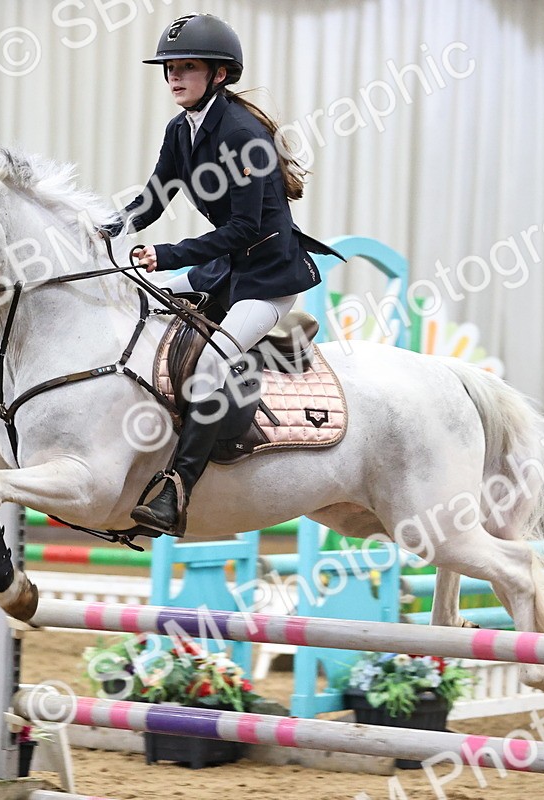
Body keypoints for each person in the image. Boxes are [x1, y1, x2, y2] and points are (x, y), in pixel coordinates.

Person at [118, 13, 338, 536]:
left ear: (218, 74)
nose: (174, 77)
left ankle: (176, 489)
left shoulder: (242, 134)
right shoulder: (182, 128)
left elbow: (243, 228)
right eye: (169, 67)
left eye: (187, 67)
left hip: (267, 277)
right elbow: (153, 197)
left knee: (212, 368)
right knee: (140, 303)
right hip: (226, 270)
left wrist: (167, 254)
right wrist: (101, 229)